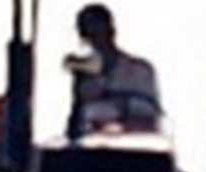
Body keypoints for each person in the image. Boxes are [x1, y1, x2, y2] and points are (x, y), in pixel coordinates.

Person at [65, 4, 162, 137]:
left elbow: (149, 120)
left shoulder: (139, 72)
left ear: (111, 31)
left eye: (97, 32)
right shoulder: (85, 77)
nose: (92, 40)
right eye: (86, 34)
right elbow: (76, 128)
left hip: (135, 149)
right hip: (92, 152)